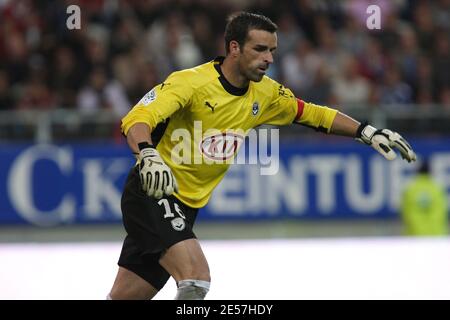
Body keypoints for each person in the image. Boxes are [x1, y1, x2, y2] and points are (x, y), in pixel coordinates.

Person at [108, 12, 417, 300]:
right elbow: (137, 119)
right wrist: (148, 154)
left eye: (272, 50)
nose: (268, 58)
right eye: (259, 49)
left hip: (186, 207)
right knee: (196, 279)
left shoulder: (266, 93)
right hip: (154, 192)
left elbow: (311, 113)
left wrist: (365, 131)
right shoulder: (190, 83)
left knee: (125, 297)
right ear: (234, 48)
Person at [401, 160, 448, 236]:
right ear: (431, 172)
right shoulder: (437, 189)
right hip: (436, 235)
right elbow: (442, 213)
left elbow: (405, 213)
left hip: (415, 235)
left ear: (418, 172)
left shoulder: (410, 190)